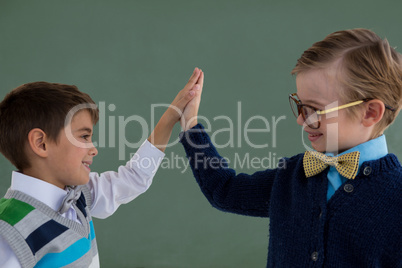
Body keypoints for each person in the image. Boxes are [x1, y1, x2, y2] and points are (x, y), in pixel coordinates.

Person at [179, 29, 402, 267]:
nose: (301, 120)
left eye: (315, 110)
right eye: (300, 106)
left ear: (370, 112)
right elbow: (224, 190)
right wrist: (190, 126)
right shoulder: (295, 175)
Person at [0, 67, 204, 268]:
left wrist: (170, 117)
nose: (93, 149)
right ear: (41, 143)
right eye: (83, 136)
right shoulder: (8, 232)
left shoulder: (78, 194)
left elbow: (134, 177)